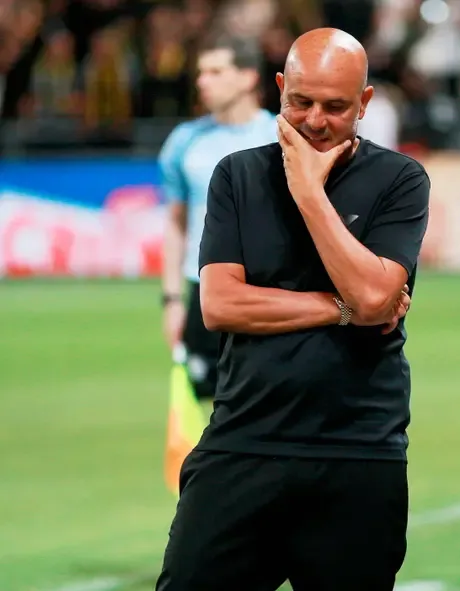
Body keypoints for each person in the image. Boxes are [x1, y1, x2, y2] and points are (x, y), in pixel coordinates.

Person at [155, 27, 430, 591]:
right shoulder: (237, 175)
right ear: (280, 87)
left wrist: (309, 192)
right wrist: (340, 308)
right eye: (300, 102)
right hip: (242, 443)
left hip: (358, 453)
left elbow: (375, 297)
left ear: (365, 103)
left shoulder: (400, 180)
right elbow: (221, 304)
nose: (314, 121)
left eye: (336, 107)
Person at [157, 30, 277, 494]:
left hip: (265, 291)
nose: (202, 81)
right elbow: (175, 223)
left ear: (248, 77)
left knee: (268, 407)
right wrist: (171, 299)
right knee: (210, 414)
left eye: (215, 71)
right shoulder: (184, 141)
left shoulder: (280, 136)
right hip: (202, 291)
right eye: (200, 72)